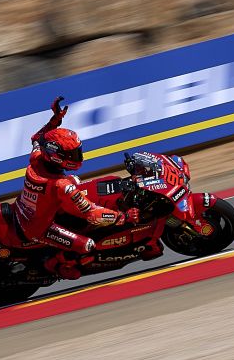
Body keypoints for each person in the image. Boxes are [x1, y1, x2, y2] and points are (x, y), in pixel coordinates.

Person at [13, 96, 140, 279]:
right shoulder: (61, 185)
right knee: (87, 245)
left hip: (27, 209)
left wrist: (55, 120)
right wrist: (123, 216)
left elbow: (37, 138)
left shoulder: (37, 158)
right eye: (72, 154)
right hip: (39, 228)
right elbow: (92, 214)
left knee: (76, 181)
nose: (77, 156)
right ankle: (54, 266)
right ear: (56, 156)